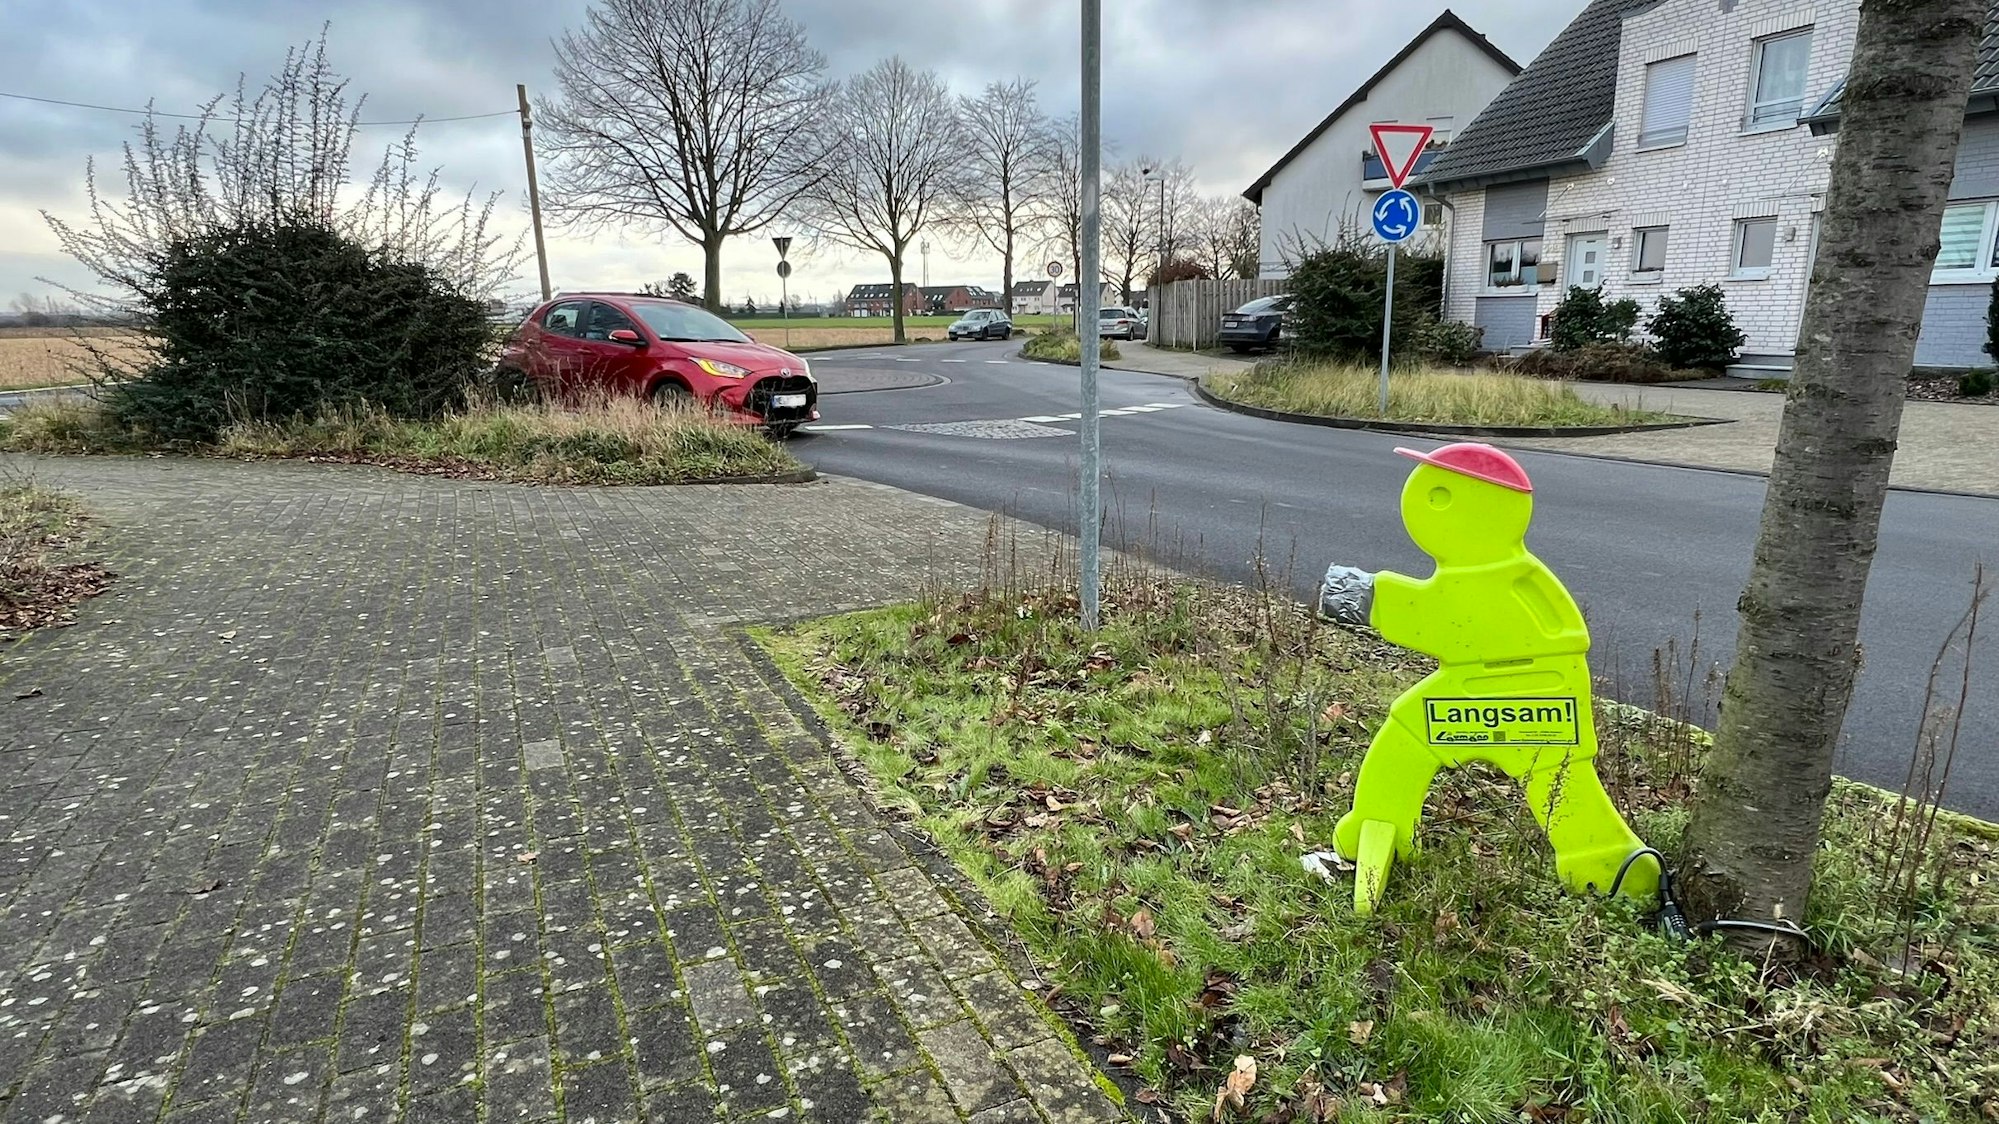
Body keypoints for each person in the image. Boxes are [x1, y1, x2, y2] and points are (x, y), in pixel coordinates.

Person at [1320, 443, 1654, 915]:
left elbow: (1434, 617)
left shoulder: (1495, 575)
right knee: (1417, 737)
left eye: (1438, 495)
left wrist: (1361, 595)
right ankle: (1381, 821)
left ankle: (1607, 863)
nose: (1418, 504)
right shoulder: (1520, 576)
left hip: (1527, 690)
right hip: (1517, 688)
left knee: (1540, 775)